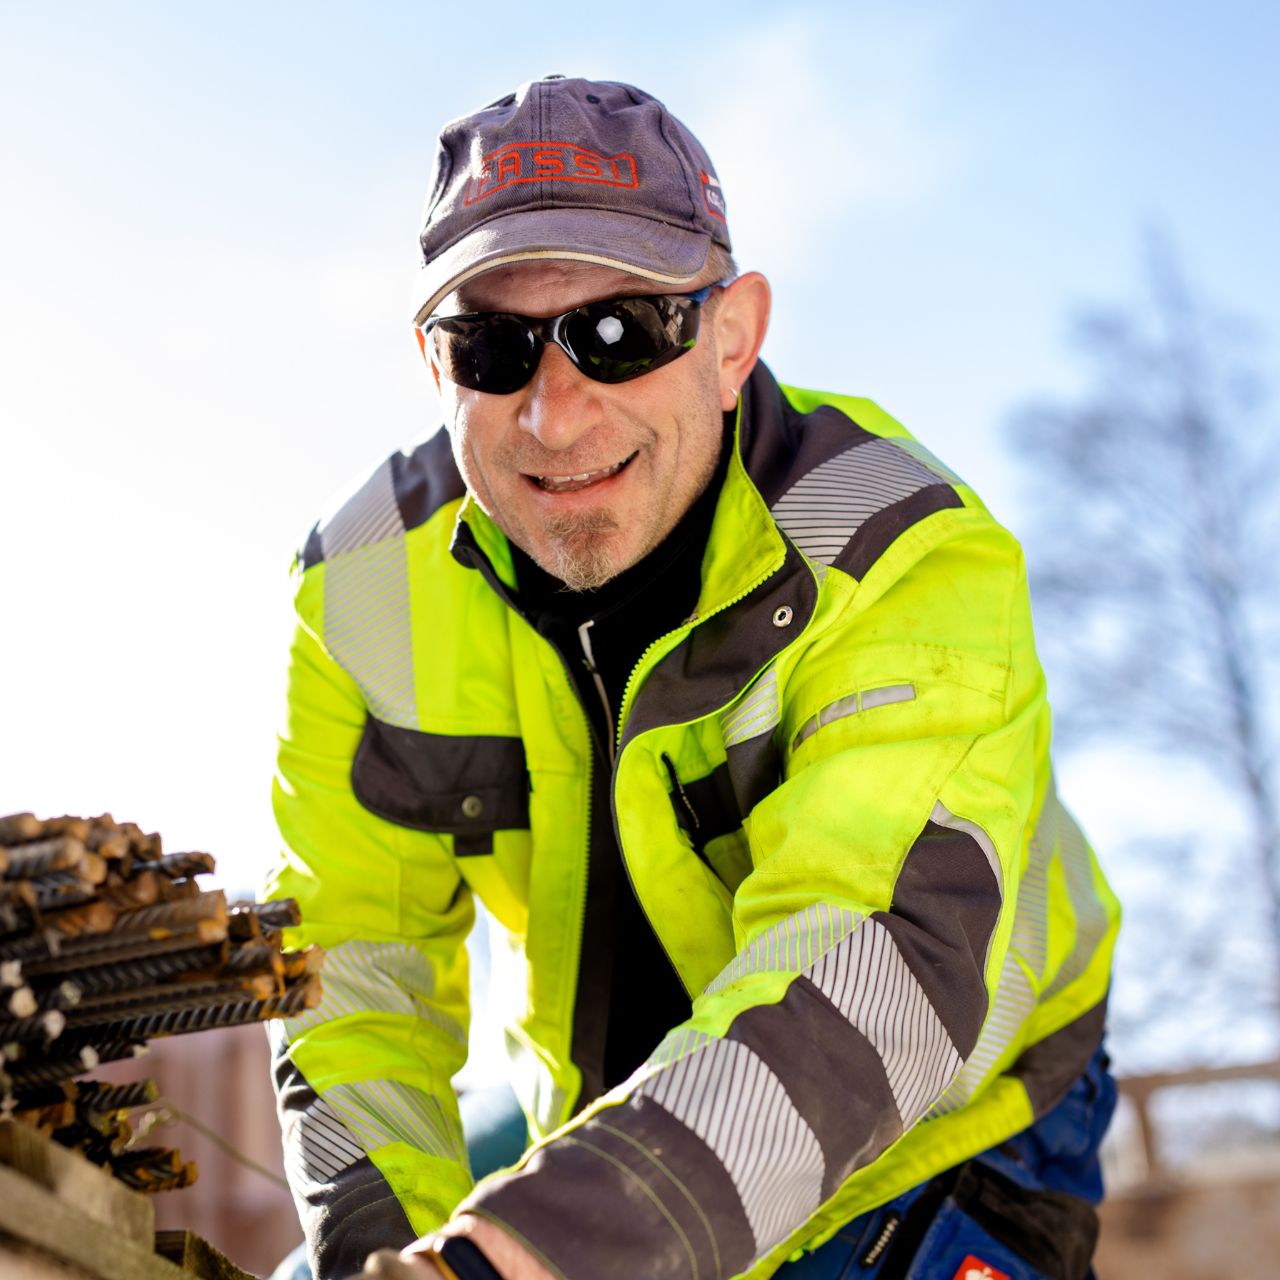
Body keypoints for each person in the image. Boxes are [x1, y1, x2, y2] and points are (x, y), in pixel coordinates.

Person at [264, 75, 1120, 1280]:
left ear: (729, 339)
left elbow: (871, 977)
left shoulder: (895, 555)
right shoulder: (363, 590)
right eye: (493, 347)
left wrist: (516, 1256)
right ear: (430, 363)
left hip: (930, 1119)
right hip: (600, 1145)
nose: (554, 416)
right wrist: (384, 1253)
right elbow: (354, 961)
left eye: (620, 334)